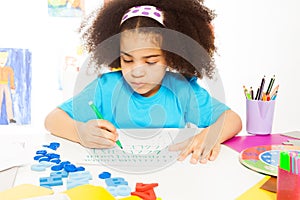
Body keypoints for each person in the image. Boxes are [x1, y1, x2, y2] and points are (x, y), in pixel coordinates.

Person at [45, 0, 242, 164]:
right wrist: (80, 133)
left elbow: (233, 120)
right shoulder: (105, 87)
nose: (137, 72)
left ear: (170, 57)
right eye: (127, 60)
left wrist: (211, 134)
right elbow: (52, 119)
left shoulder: (182, 89)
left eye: (150, 61)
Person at [0, 51, 16, 124]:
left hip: (6, 85)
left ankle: (11, 118)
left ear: (6, 59)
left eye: (4, 59)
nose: (2, 60)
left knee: (8, 101)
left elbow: (12, 78)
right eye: (1, 59)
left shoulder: (9, 69)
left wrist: (12, 87)